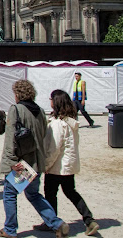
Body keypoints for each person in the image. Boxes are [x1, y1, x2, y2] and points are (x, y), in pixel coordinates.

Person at [0, 80, 69, 238]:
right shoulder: (41, 111)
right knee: (34, 194)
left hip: (23, 163)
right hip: (37, 161)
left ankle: (10, 229)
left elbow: (10, 140)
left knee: (9, 193)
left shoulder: (16, 109)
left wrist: (11, 163)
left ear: (17, 94)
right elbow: (43, 135)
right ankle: (57, 223)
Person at [34, 89, 99, 236]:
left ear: (55, 102)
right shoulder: (70, 121)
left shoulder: (57, 123)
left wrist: (46, 164)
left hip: (58, 165)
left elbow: (54, 148)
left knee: (50, 193)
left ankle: (52, 221)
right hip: (68, 165)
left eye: (51, 99)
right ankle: (89, 219)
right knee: (71, 192)